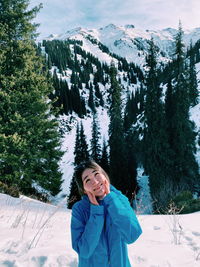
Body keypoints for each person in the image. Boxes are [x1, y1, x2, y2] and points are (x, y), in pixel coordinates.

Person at [70, 160, 142, 267]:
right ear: (84, 190)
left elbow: (132, 234)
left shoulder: (120, 199)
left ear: (104, 175)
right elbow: (84, 250)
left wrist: (111, 200)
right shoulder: (80, 209)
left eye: (96, 174)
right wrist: (96, 212)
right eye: (87, 180)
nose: (94, 181)